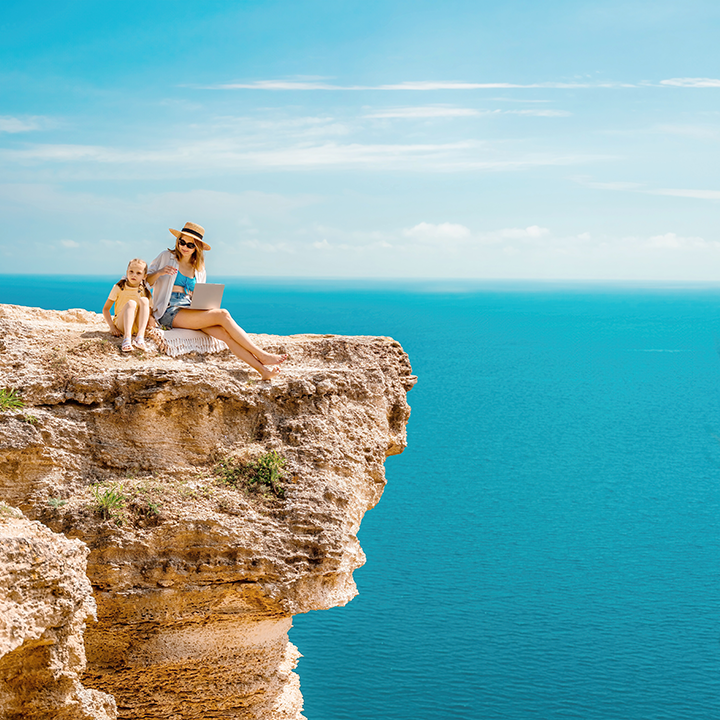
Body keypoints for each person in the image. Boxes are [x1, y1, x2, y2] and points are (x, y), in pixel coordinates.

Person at [147, 222, 286, 380]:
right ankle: (261, 354)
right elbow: (145, 281)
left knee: (225, 335)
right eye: (182, 242)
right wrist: (160, 272)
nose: (184, 247)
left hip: (190, 309)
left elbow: (198, 293)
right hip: (169, 310)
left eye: (190, 245)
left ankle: (263, 371)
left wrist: (202, 303)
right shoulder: (166, 257)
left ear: (197, 248)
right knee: (223, 314)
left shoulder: (198, 267)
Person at [103, 258, 153, 352]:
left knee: (144, 300)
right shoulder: (119, 287)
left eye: (138, 273)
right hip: (122, 325)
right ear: (127, 272)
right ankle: (127, 339)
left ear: (144, 276)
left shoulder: (144, 290)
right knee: (131, 303)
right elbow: (106, 309)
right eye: (131, 271)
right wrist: (112, 327)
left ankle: (140, 337)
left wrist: (151, 320)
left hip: (137, 326)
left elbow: (149, 310)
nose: (134, 275)